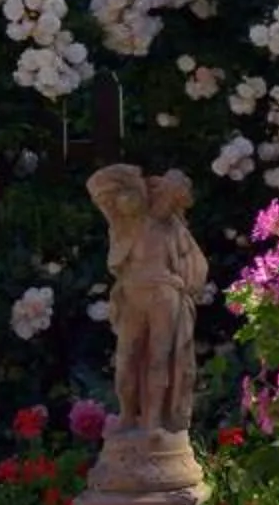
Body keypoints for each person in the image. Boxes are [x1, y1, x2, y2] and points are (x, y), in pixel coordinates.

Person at [89, 165, 208, 434]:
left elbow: (196, 265)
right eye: (166, 194)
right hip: (133, 294)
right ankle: (128, 415)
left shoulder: (176, 231)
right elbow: (100, 190)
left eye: (174, 198)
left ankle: (154, 419)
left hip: (165, 295)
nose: (168, 202)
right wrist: (128, 176)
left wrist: (184, 284)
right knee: (127, 357)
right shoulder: (129, 222)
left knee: (159, 357)